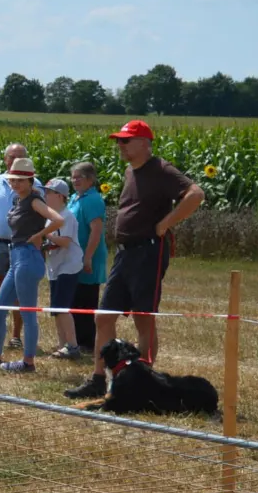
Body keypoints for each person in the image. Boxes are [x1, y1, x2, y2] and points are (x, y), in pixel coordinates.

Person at [66, 121, 205, 399]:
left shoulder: (162, 169)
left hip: (149, 252)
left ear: (144, 142)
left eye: (126, 141)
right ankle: (98, 378)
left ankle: (145, 382)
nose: (120, 145)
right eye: (119, 140)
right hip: (125, 253)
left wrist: (166, 223)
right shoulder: (130, 171)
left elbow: (196, 194)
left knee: (144, 319)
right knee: (103, 317)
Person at [0, 157, 66, 373]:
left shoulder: (34, 200)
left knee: (27, 312)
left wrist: (39, 235)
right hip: (16, 257)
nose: (15, 184)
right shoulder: (18, 200)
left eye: (20, 180)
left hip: (28, 257)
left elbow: (58, 220)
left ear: (31, 180)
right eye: (13, 180)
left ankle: (28, 362)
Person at [0, 144, 38, 343]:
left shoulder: (34, 184)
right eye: (12, 157)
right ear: (5, 160)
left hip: (22, 247)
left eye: (20, 157)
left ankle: (16, 336)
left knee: (20, 291)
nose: (15, 161)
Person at [68, 162, 109, 354]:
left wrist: (88, 257)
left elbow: (96, 230)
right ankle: (74, 339)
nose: (75, 180)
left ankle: (86, 342)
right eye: (73, 176)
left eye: (79, 177)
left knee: (85, 299)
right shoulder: (75, 198)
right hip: (74, 256)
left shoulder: (93, 200)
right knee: (74, 298)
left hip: (88, 256)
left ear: (91, 180)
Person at [41, 178, 84, 359]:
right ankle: (62, 344)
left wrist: (45, 235)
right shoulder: (50, 217)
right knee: (56, 309)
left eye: (49, 192)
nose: (45, 195)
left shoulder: (66, 217)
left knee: (62, 306)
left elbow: (65, 242)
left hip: (69, 266)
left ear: (59, 196)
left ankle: (72, 345)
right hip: (55, 267)